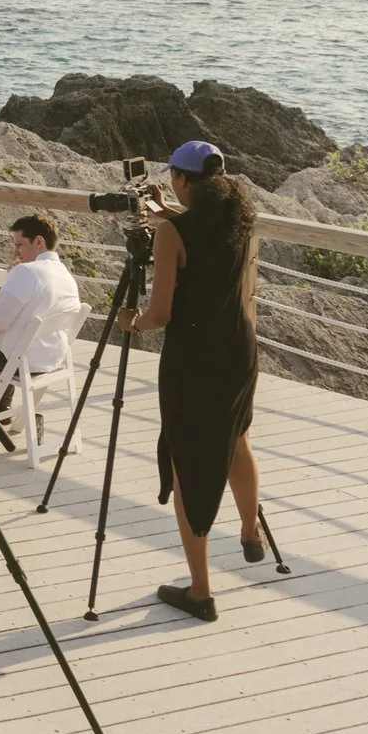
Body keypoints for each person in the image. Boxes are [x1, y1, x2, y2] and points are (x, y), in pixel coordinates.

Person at [123, 141, 266, 623]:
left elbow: (160, 314)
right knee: (237, 438)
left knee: (189, 466)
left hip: (194, 356)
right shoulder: (242, 221)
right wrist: (172, 212)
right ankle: (250, 532)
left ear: (182, 181)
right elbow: (209, 250)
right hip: (239, 348)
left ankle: (201, 591)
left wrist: (131, 321)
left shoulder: (170, 234)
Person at [0, 212, 79, 381]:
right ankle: (1, 405)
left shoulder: (27, 271)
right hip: (51, 357)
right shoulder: (65, 274)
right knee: (6, 335)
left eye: (19, 245)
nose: (15, 253)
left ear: (39, 242)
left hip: (18, 361)